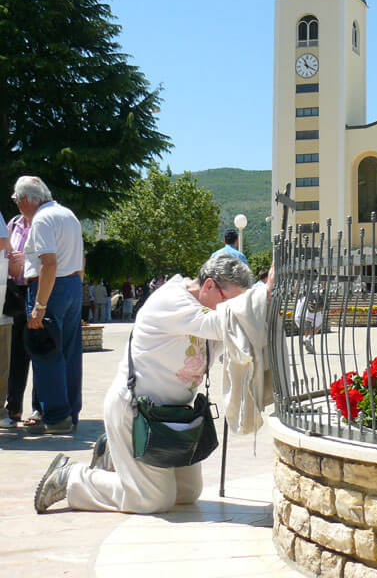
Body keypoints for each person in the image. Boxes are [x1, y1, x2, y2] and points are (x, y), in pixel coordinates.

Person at [33, 254, 269, 514]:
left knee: (187, 494)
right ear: (209, 286)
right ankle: (72, 478)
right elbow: (224, 323)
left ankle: (113, 455)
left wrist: (267, 299)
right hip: (136, 411)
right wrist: (262, 295)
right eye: (229, 302)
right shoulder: (172, 300)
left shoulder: (208, 307)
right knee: (152, 500)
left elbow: (239, 329)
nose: (231, 310)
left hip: (174, 417)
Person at [14, 176, 84, 434]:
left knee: (46, 352)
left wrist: (40, 305)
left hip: (50, 288)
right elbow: (80, 259)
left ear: (26, 199)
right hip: (72, 285)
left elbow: (49, 263)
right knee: (69, 352)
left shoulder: (41, 220)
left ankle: (56, 417)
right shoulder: (68, 215)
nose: (18, 206)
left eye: (17, 200)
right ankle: (69, 413)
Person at [2, 208, 41, 428]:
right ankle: (13, 407)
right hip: (15, 292)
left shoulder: (43, 223)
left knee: (37, 352)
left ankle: (38, 409)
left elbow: (47, 257)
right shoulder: (13, 223)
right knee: (16, 354)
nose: (17, 202)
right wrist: (11, 262)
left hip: (35, 290)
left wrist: (26, 260)